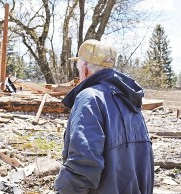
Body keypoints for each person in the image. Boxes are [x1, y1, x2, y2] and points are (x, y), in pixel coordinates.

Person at [54, 39, 154, 194]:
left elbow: (83, 164)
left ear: (86, 68)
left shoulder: (89, 98)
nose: (79, 74)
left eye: (79, 69)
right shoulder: (130, 98)